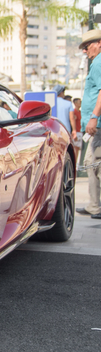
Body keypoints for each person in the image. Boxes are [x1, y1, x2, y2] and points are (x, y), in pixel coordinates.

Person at [76, 29, 101, 219]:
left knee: (96, 164)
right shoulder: (96, 63)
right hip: (94, 125)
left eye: (86, 46)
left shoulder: (100, 61)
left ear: (98, 43)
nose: (85, 51)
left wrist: (94, 117)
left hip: (97, 123)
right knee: (90, 164)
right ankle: (94, 205)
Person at [73, 97, 82, 161]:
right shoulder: (73, 112)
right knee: (75, 148)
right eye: (79, 102)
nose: (81, 103)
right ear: (75, 103)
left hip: (80, 131)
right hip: (76, 132)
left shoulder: (80, 112)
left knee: (77, 149)